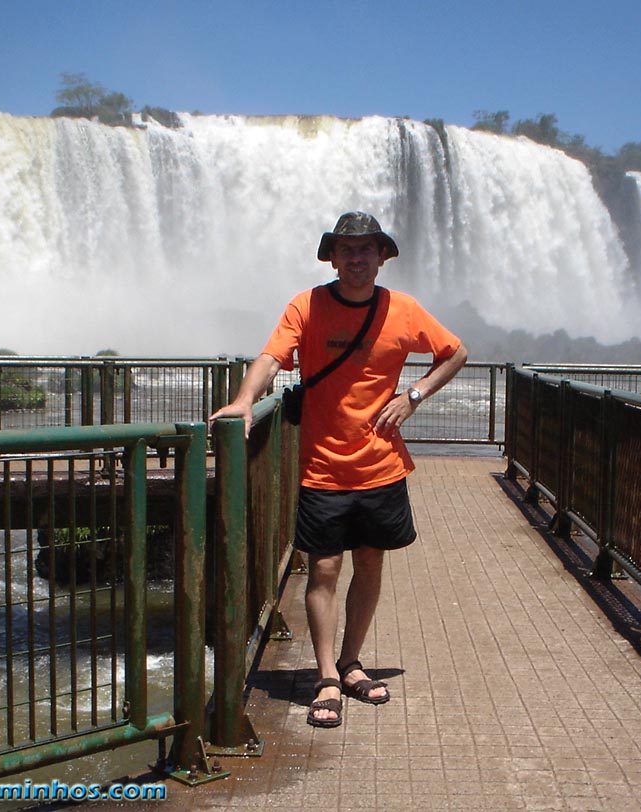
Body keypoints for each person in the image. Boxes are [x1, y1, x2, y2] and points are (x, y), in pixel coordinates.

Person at [210, 211, 467, 728]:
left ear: (381, 258)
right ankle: (327, 675)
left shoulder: (402, 309)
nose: (357, 258)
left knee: (370, 565)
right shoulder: (307, 305)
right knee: (325, 569)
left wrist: (413, 396)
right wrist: (243, 399)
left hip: (381, 465)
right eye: (347, 249)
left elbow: (455, 352)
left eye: (367, 249)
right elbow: (271, 358)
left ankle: (352, 663)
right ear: (332, 257)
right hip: (323, 467)